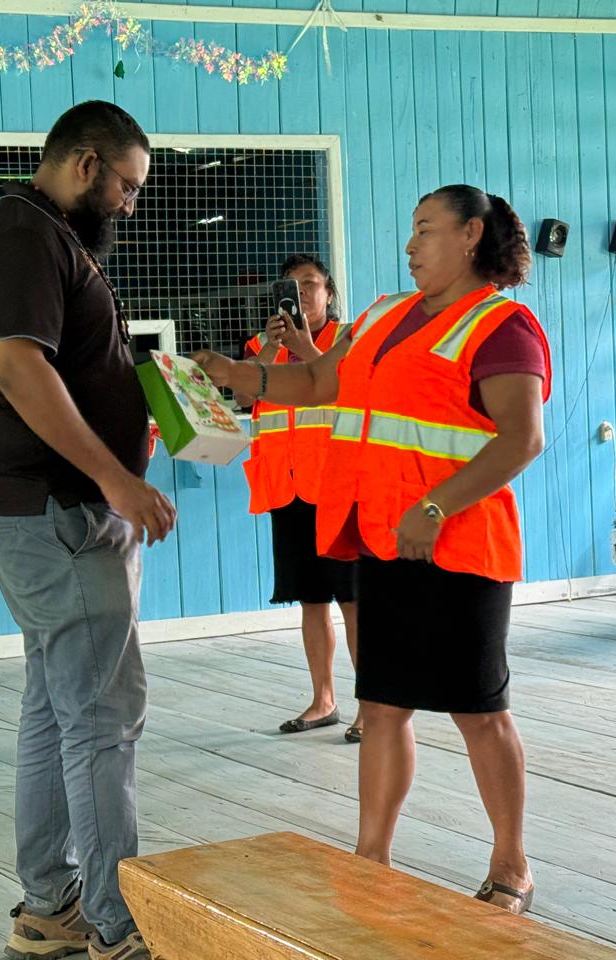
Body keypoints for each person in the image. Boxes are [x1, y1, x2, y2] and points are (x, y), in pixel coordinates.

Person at [195, 185, 550, 916]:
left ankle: (511, 863)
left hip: (459, 548)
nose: (411, 245)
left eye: (426, 229)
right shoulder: (385, 314)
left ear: (472, 235)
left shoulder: (501, 326)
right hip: (382, 541)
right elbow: (319, 380)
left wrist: (435, 506)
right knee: (382, 707)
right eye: (411, 230)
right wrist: (239, 375)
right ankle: (371, 858)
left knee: (479, 713)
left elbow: (522, 439)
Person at [0, 100, 175, 960]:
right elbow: (19, 365)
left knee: (57, 712)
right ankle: (117, 928)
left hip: (44, 512)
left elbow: (73, 367)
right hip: (60, 513)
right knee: (101, 719)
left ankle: (52, 906)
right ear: (86, 163)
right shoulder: (27, 236)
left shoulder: (51, 237)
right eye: (127, 184)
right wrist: (116, 479)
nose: (130, 203)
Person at [238, 255, 362, 742]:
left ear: (329, 292)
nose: (302, 292)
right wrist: (273, 347)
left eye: (311, 283)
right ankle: (323, 700)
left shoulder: (347, 339)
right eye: (291, 286)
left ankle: (371, 707)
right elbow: (244, 396)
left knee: (353, 601)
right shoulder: (258, 346)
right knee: (311, 600)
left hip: (338, 489)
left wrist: (305, 346)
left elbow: (348, 389)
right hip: (286, 489)